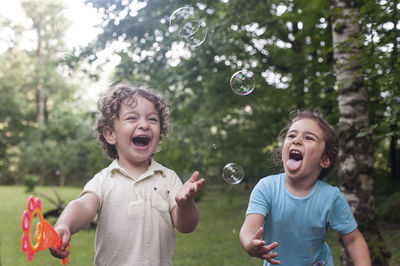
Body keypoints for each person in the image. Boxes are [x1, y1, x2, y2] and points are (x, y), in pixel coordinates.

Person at [50, 84, 205, 265]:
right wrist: (64, 224)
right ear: (110, 134)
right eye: (132, 118)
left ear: (160, 133)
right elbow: (83, 206)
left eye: (153, 119)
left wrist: (185, 204)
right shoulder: (104, 180)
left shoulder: (167, 178)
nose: (144, 125)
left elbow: (186, 226)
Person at [239, 110, 371, 266]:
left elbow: (354, 240)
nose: (297, 140)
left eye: (309, 138)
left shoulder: (331, 197)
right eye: (292, 135)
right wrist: (250, 244)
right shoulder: (267, 188)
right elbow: (249, 229)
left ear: (324, 159)